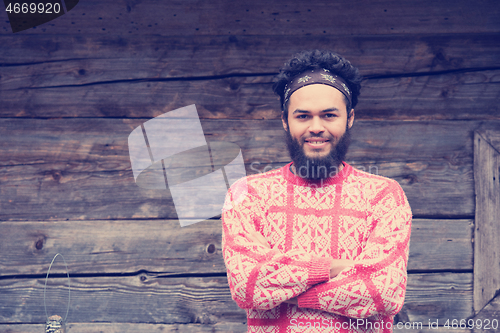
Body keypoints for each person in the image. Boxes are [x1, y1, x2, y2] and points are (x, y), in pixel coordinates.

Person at [221, 50, 412, 333]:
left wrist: (284, 286)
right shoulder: (247, 195)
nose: (316, 127)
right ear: (285, 121)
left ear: (350, 118)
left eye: (329, 115)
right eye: (303, 116)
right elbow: (247, 286)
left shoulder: (384, 196)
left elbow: (382, 291)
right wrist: (333, 269)